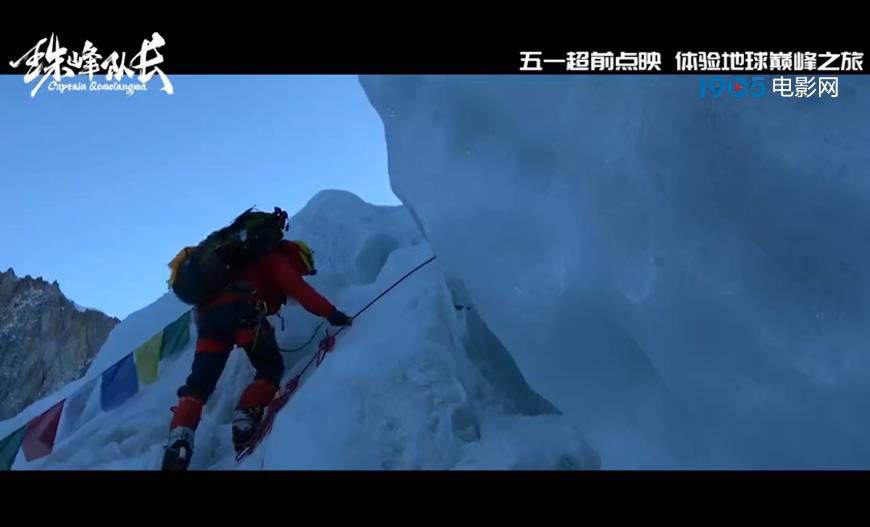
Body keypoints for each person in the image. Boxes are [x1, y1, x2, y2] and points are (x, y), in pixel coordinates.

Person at [161, 239, 352, 470]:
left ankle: (178, 444)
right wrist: (332, 314)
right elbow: (299, 290)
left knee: (198, 387)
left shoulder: (234, 265)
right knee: (270, 367)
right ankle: (244, 422)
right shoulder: (273, 257)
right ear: (298, 255)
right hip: (242, 311)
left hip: (208, 321)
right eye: (303, 267)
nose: (302, 272)